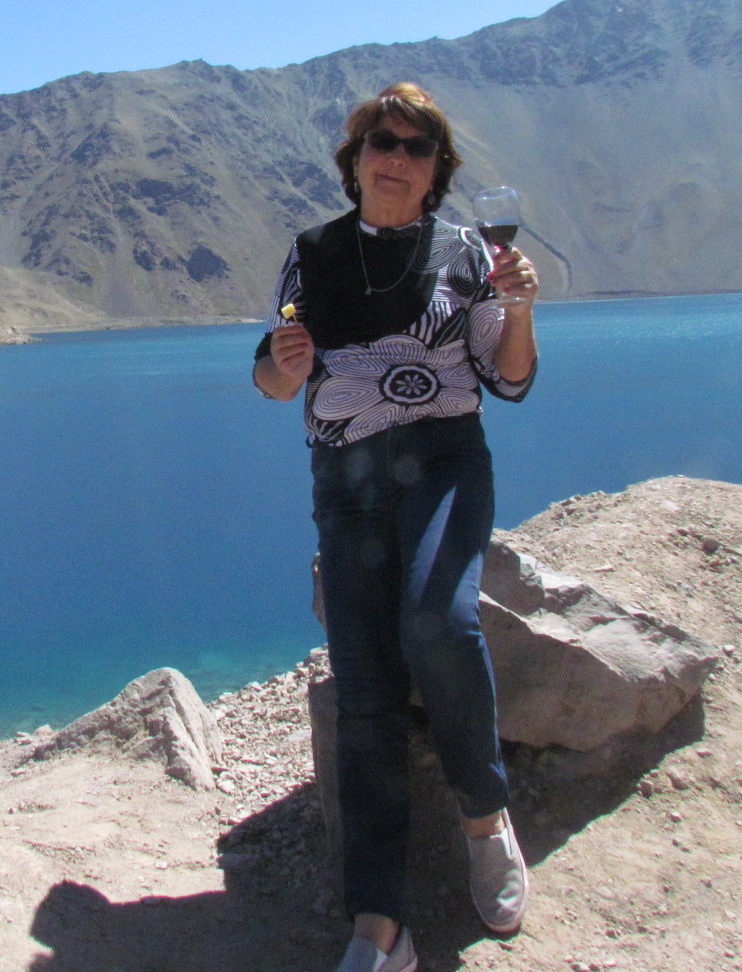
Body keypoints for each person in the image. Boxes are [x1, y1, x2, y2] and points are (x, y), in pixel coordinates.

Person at [252, 83, 539, 972]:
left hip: (444, 463)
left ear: (436, 170)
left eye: (418, 148)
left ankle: (485, 817)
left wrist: (520, 310)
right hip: (347, 482)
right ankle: (381, 924)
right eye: (383, 141)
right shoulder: (312, 254)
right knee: (366, 689)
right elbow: (273, 379)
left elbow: (510, 380)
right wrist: (284, 362)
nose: (397, 158)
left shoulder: (466, 252)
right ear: (356, 158)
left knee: (438, 621)